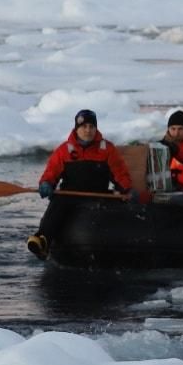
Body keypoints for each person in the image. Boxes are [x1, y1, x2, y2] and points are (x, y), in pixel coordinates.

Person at [27, 108, 137, 260]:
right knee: (57, 203)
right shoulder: (64, 150)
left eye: (92, 127)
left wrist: (127, 189)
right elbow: (51, 172)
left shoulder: (107, 149)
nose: (88, 130)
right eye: (84, 127)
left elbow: (119, 174)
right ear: (76, 129)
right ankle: (42, 239)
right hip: (69, 195)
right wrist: (46, 183)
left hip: (98, 194)